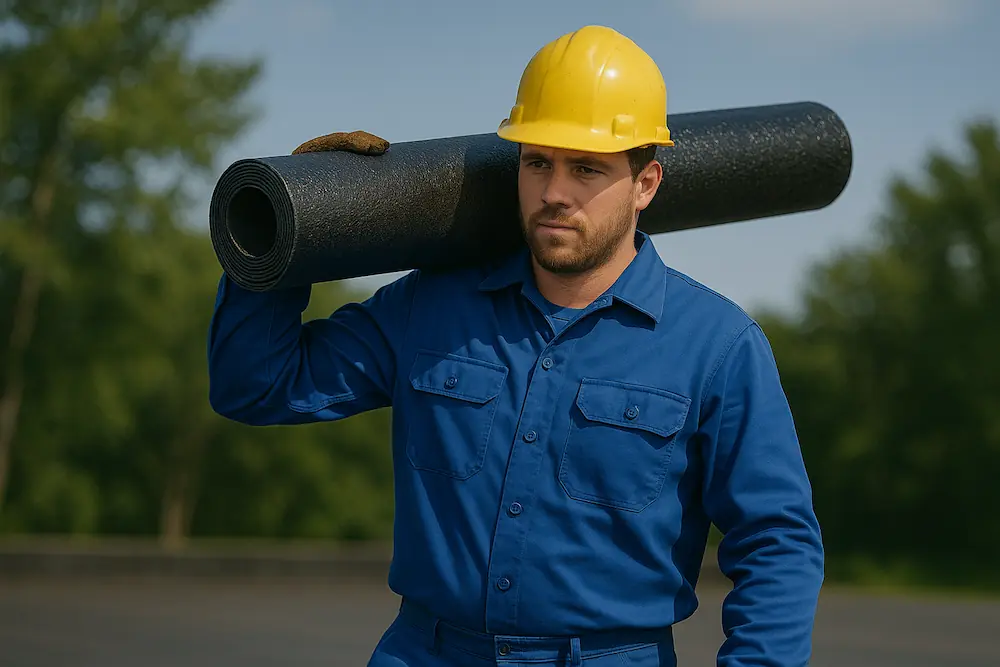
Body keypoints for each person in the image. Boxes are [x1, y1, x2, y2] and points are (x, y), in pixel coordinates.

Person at [207, 25, 824, 667]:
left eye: (586, 168)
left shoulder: (718, 345)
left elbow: (776, 543)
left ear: (646, 184)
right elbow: (257, 385)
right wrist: (293, 238)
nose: (554, 192)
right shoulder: (434, 306)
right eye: (537, 162)